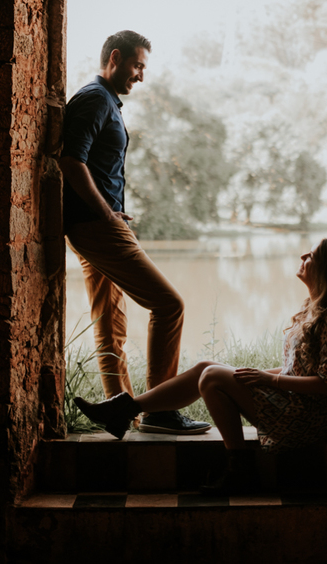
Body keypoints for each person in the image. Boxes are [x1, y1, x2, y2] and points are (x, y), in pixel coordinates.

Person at [75, 238, 327, 494]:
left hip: (306, 421)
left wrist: (268, 379)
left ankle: (241, 470)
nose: (303, 256)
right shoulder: (312, 311)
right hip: (295, 405)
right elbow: (298, 368)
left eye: (311, 255)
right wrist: (259, 376)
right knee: (207, 366)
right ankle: (124, 409)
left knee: (213, 376)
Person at [60, 30, 209, 435]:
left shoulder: (104, 100)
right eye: (137, 65)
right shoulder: (95, 99)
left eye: (143, 67)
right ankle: (160, 410)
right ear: (115, 57)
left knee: (110, 323)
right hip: (98, 228)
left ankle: (121, 413)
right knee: (169, 306)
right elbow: (71, 161)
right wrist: (107, 214)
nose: (141, 75)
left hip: (93, 226)